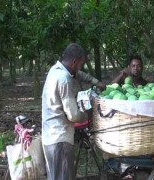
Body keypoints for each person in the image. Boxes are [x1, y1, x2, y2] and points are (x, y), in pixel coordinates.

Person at [42, 43, 88, 180]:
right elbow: (73, 115)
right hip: (60, 138)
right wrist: (87, 114)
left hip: (49, 136)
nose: (80, 68)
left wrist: (95, 81)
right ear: (74, 62)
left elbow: (80, 75)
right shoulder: (64, 79)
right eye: (80, 64)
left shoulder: (54, 71)